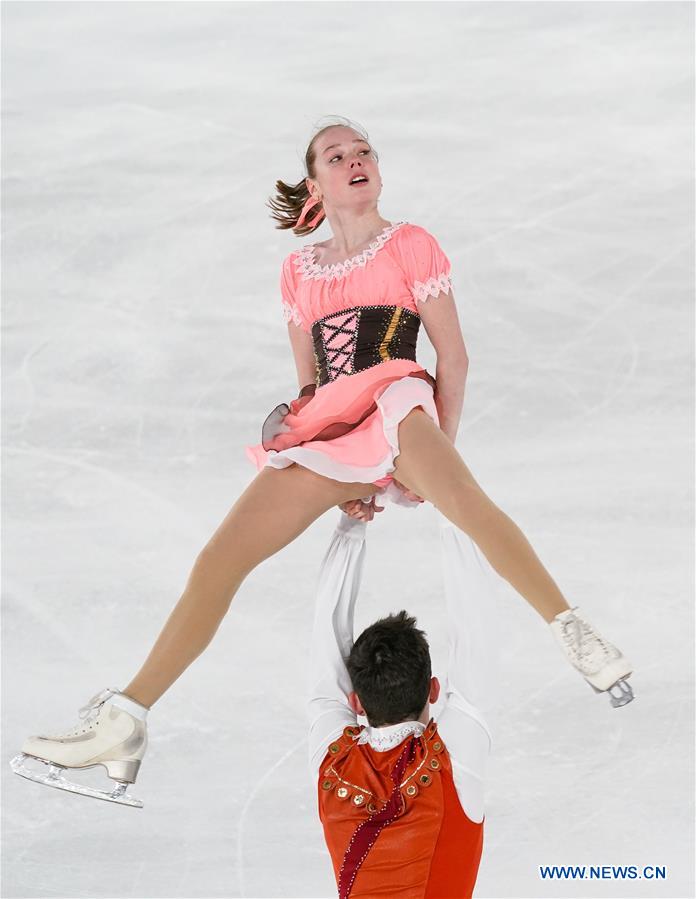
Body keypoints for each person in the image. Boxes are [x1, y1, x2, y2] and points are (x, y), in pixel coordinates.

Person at [10, 116, 634, 808]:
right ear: (316, 185)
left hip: (398, 401)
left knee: (467, 504)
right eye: (337, 156)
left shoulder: (411, 244)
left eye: (364, 151)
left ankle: (573, 630)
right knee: (221, 559)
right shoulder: (297, 271)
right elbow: (311, 385)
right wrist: (336, 474)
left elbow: (452, 356)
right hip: (332, 423)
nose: (355, 160)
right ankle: (127, 718)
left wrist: (431, 454)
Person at [308, 507, 499, 898]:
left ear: (355, 702)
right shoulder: (453, 761)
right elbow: (475, 625)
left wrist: (352, 518)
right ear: (433, 689)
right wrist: (448, 495)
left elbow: (325, 640)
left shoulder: (333, 762)